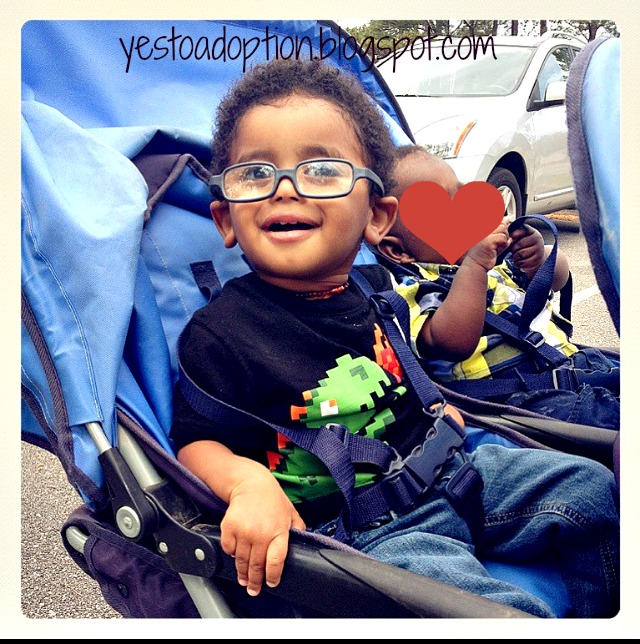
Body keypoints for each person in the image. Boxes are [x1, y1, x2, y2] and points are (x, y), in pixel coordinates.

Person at [170, 58, 619, 618]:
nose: (285, 189)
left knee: (592, 489)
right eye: (257, 174)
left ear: (377, 218)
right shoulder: (221, 333)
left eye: (321, 170)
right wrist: (247, 485)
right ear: (225, 219)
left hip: (453, 472)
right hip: (372, 531)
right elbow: (196, 440)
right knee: (490, 613)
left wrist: (432, 407)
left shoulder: (374, 292)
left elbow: (399, 369)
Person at [377, 145, 619, 430]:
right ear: (398, 250)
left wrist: (538, 258)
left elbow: (558, 278)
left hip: (579, 364)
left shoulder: (497, 264)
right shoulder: (413, 291)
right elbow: (453, 342)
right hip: (524, 399)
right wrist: (475, 267)